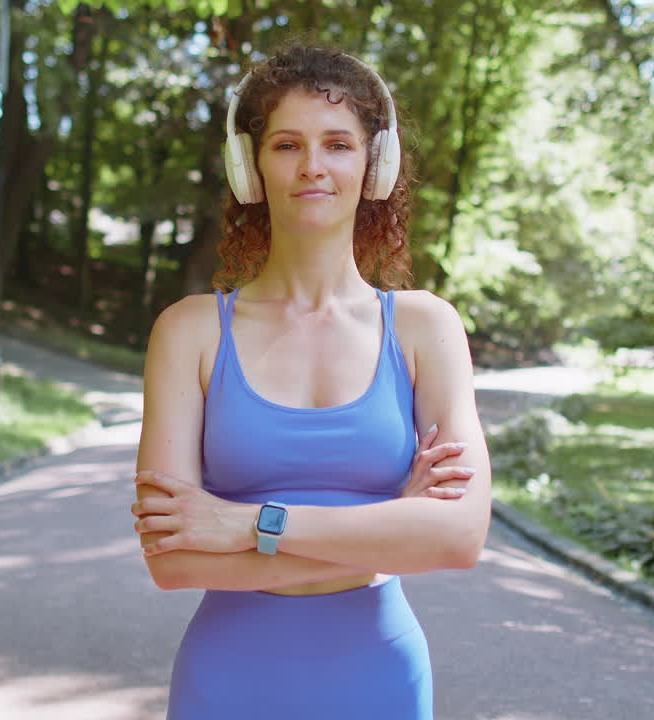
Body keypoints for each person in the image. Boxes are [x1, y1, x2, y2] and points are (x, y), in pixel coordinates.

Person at [131, 44, 492, 719]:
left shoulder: (426, 328)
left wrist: (247, 524)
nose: (313, 167)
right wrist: (386, 536)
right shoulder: (189, 332)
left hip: (379, 676)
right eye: (287, 145)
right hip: (228, 680)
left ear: (374, 165)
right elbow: (173, 562)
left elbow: (459, 538)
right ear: (252, 167)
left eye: (338, 144)